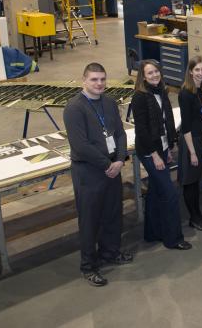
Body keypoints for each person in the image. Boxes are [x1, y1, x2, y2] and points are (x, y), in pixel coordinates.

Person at [64, 63, 132, 287]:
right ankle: (89, 266)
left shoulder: (110, 103)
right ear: (84, 80)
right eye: (94, 79)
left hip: (113, 167)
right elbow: (80, 145)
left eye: (102, 79)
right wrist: (107, 164)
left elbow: (120, 133)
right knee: (90, 219)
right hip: (89, 171)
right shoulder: (74, 108)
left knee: (112, 213)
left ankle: (110, 252)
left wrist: (120, 160)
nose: (99, 83)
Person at [131, 61, 191, 251]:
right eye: (150, 73)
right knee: (170, 194)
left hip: (162, 148)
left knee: (156, 192)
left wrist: (169, 147)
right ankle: (173, 238)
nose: (155, 75)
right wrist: (155, 155)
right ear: (143, 76)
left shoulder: (161, 91)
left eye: (157, 71)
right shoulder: (140, 97)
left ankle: (152, 233)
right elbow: (141, 130)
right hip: (149, 151)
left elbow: (167, 121)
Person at [177, 56, 202, 232]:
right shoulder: (186, 93)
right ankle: (193, 218)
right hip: (190, 143)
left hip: (200, 140)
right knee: (190, 182)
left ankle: (198, 214)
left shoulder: (199, 90)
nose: (201, 73)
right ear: (190, 71)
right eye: (197, 70)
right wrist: (192, 152)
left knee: (196, 180)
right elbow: (185, 126)